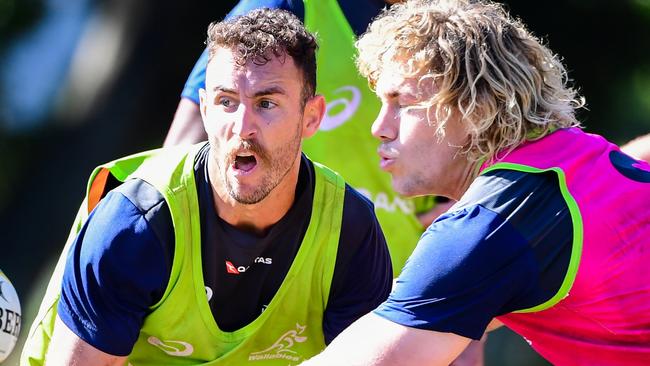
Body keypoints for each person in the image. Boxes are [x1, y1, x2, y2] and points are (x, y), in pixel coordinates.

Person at [21, 9, 392, 365]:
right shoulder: (137, 223)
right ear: (203, 108)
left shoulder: (350, 231)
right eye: (226, 102)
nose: (242, 126)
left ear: (311, 117)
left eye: (266, 103)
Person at [304, 0, 650, 365]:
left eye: (402, 104)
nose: (379, 127)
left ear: (477, 109)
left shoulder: (491, 224)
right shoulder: (572, 159)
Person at [164, 0, 454, 277]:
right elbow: (186, 144)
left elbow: (482, 141)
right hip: (285, 281)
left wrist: (474, 215)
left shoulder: (451, 27)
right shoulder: (290, 6)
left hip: (399, 278)